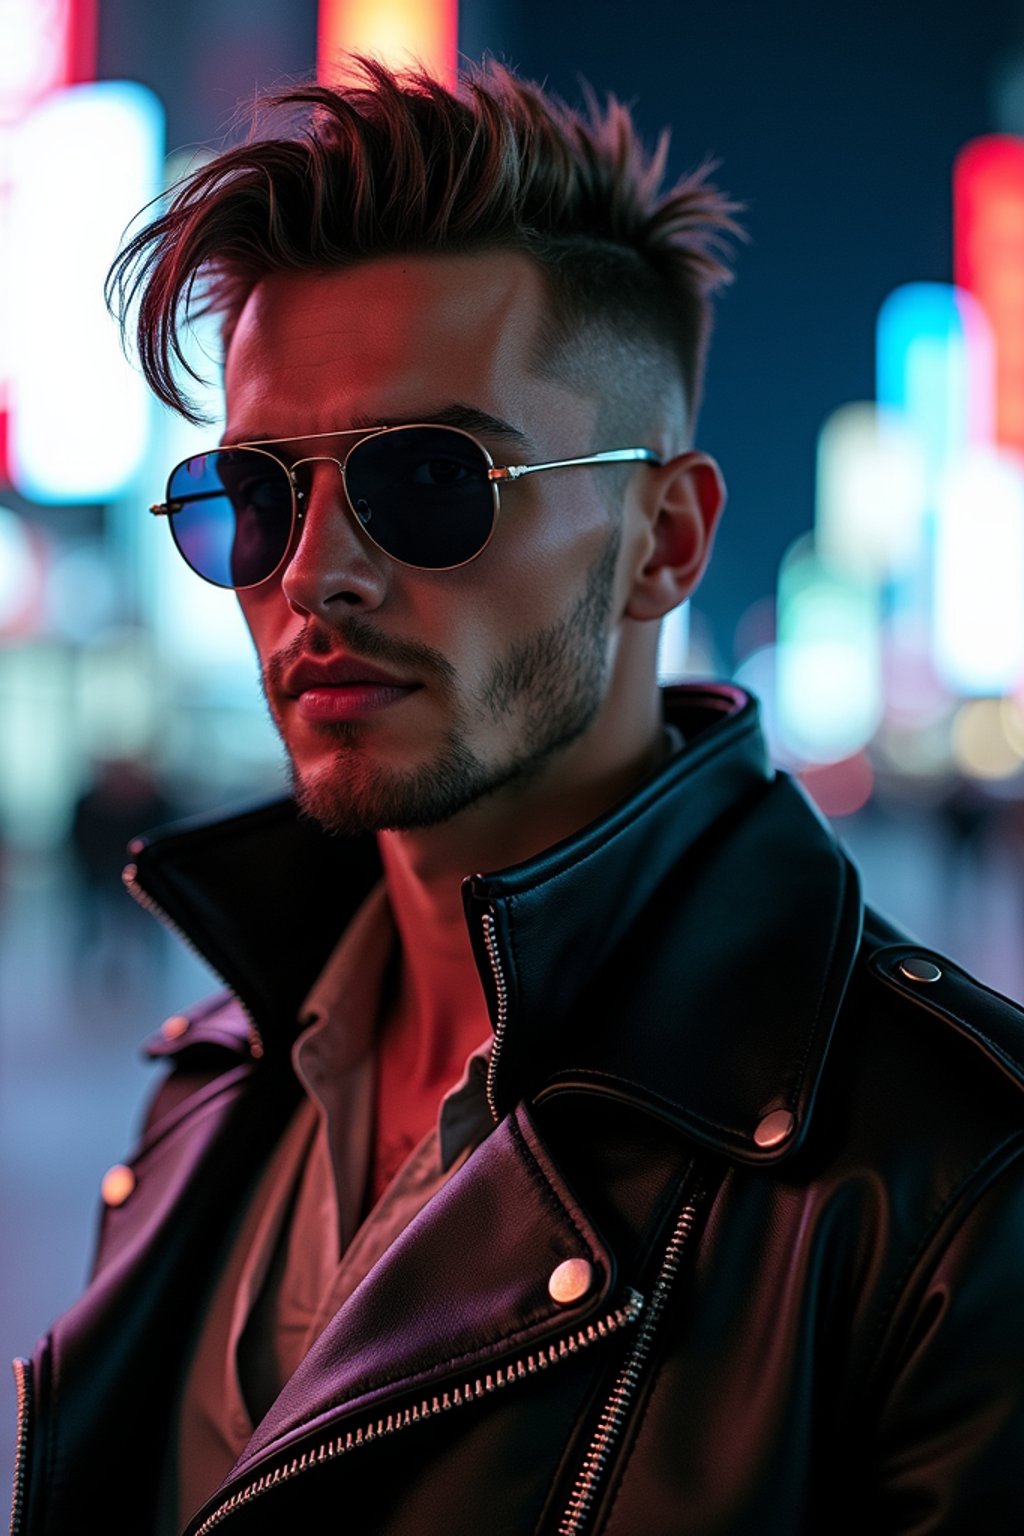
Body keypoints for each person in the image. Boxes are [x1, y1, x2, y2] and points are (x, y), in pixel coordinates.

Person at [12, 57, 1024, 1536]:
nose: (316, 575)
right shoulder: (216, 1085)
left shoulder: (948, 1186)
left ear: (666, 539)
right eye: (258, 496)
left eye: (429, 480)